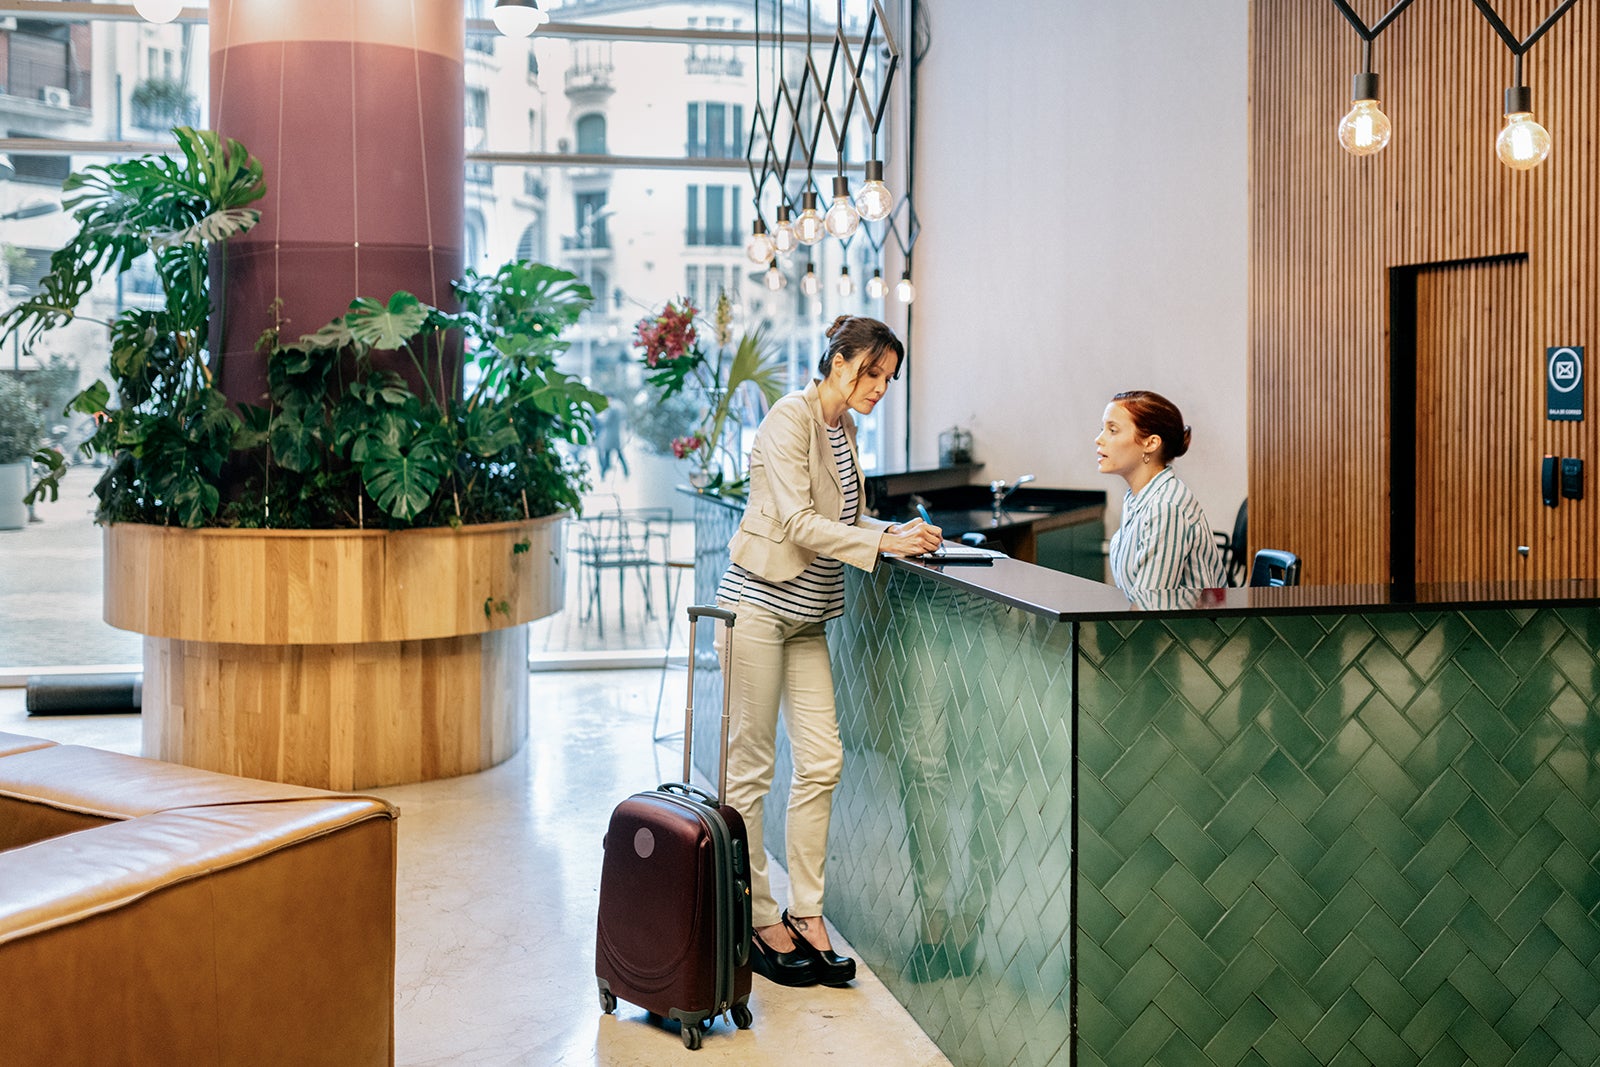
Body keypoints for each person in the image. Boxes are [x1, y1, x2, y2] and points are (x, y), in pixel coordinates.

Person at [714, 314, 942, 989]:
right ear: (838, 361)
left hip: (806, 615)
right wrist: (882, 545)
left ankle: (806, 912)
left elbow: (837, 520)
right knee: (751, 770)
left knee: (822, 760)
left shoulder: (843, 432)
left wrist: (889, 529)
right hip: (756, 605)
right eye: (873, 372)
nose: (880, 387)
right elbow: (792, 523)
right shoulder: (792, 416)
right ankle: (758, 917)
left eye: (889, 378)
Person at [1095, 389, 1224, 592]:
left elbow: (1150, 607)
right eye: (1102, 429)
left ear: (1151, 443)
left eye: (1112, 430)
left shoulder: (1165, 507)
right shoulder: (1137, 499)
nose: (1099, 439)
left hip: (1193, 624)